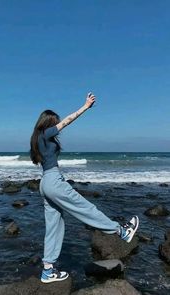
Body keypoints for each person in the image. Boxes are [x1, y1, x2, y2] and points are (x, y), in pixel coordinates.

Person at [30, 92, 139, 284]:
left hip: (45, 183)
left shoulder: (38, 139)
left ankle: (48, 270)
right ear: (48, 122)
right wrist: (85, 107)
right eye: (54, 122)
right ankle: (121, 231)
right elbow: (67, 121)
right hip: (54, 181)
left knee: (54, 227)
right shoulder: (47, 133)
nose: (58, 125)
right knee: (86, 209)